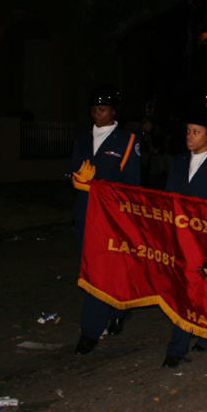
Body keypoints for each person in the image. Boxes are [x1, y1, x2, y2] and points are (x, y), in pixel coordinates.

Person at [161, 108, 207, 367]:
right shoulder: (178, 161)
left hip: (206, 241)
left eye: (196, 132)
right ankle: (176, 349)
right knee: (183, 291)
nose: (190, 136)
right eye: (188, 131)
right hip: (182, 239)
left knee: (206, 291)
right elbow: (169, 201)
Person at [72, 84, 141, 356]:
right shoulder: (82, 139)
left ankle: (90, 331)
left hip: (111, 218)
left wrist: (97, 187)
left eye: (102, 109)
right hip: (84, 213)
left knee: (97, 273)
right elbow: (75, 171)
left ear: (113, 111)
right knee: (91, 268)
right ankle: (118, 308)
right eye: (93, 109)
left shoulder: (127, 141)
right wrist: (78, 183)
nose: (97, 114)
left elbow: (132, 185)